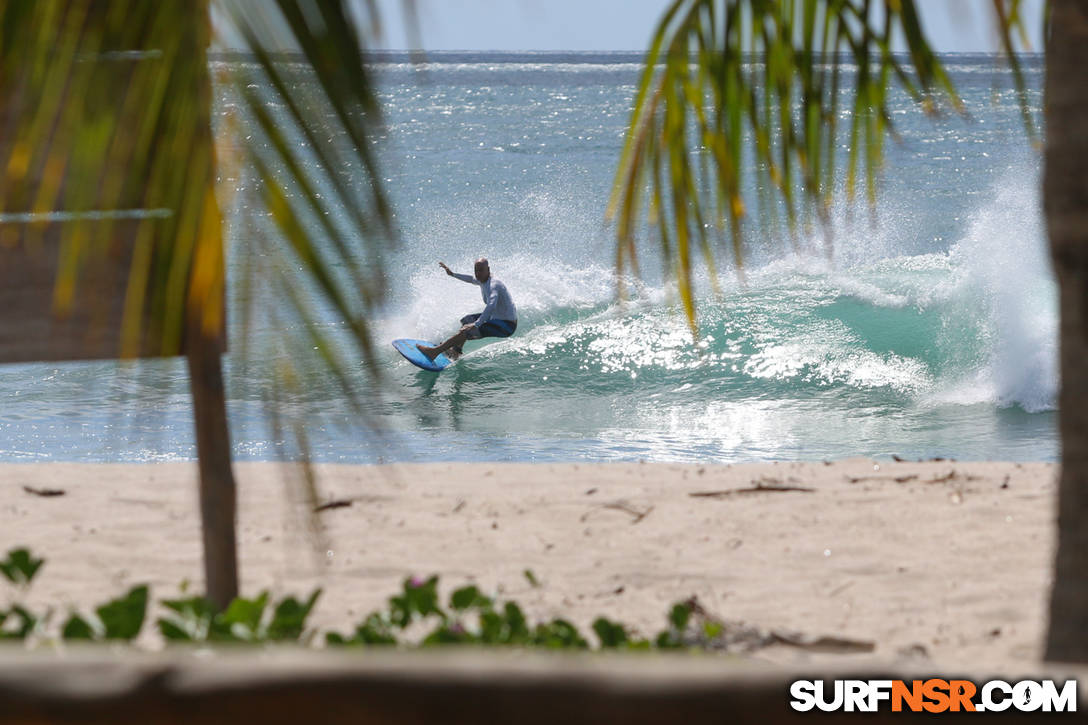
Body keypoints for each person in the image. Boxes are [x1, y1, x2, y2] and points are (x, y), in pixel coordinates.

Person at [419, 257, 518, 361]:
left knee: (466, 331)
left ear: (488, 270)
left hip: (506, 325)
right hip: (496, 318)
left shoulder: (493, 285)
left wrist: (476, 324)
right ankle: (456, 352)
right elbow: (471, 279)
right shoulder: (482, 279)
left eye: (481, 270)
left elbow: (491, 306)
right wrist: (452, 274)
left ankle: (433, 352)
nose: (478, 273)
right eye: (476, 270)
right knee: (467, 320)